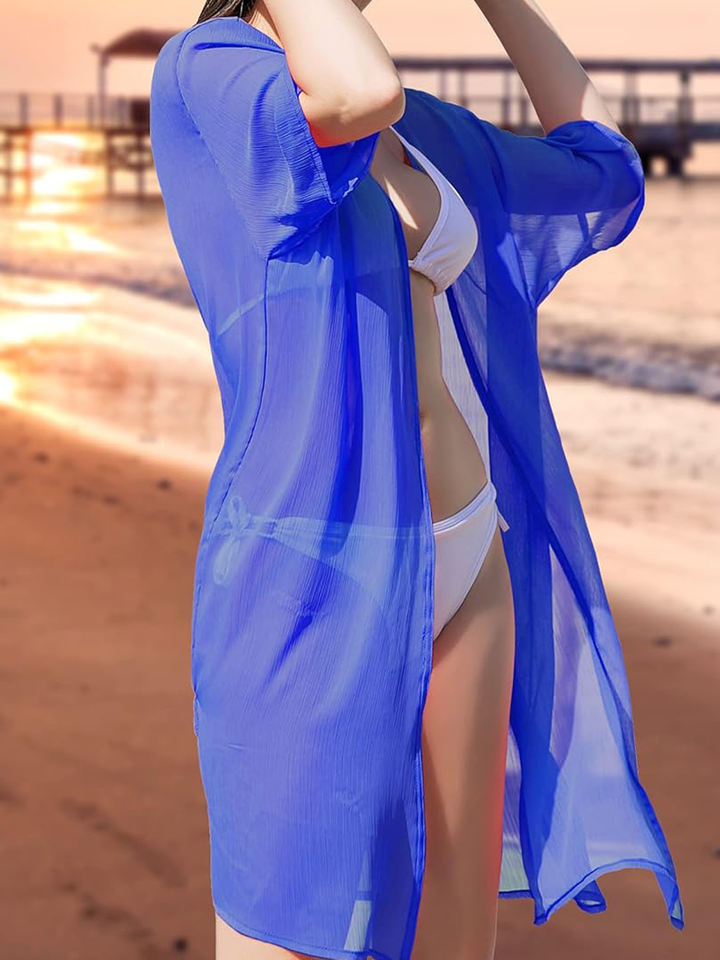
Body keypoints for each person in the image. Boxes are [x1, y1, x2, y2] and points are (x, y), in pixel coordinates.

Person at [149, 1, 684, 958]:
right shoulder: (208, 72)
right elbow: (356, 90)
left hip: (468, 551)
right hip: (308, 577)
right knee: (284, 922)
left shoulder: (423, 130)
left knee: (457, 937)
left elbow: (603, 166)